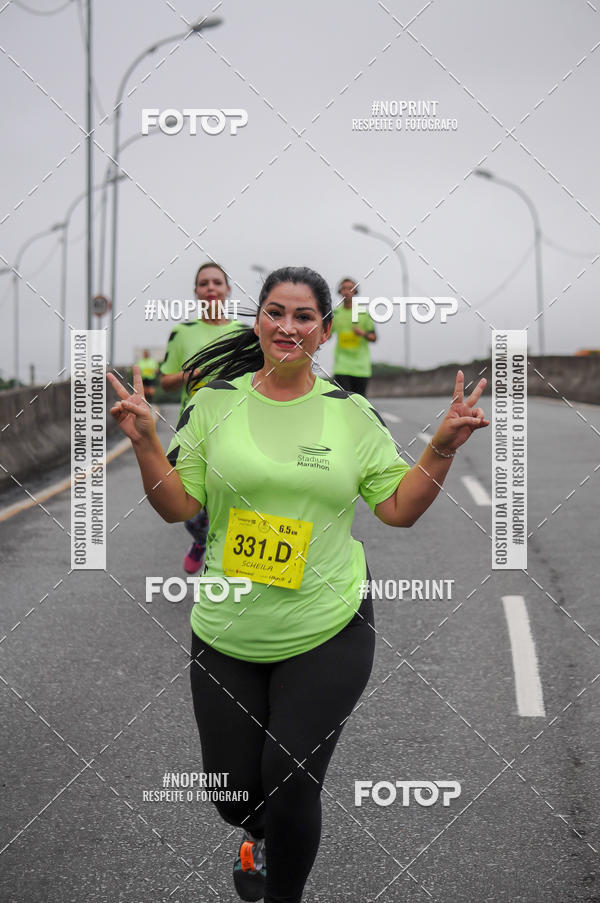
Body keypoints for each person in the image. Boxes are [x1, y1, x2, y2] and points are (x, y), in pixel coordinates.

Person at [107, 266, 488, 903]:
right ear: (256, 319)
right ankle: (254, 830)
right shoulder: (214, 402)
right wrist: (147, 441)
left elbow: (398, 509)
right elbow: (177, 505)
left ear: (323, 328)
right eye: (276, 313)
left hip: (328, 623)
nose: (288, 326)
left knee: (291, 778)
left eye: (304, 316)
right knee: (231, 791)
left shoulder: (351, 413)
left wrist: (442, 447)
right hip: (229, 627)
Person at [159, 262, 244, 574]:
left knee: (232, 499)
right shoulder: (182, 333)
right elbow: (165, 380)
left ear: (227, 290)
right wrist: (194, 373)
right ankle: (199, 538)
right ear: (196, 292)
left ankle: (228, 567)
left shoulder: (242, 333)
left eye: (217, 283)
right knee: (189, 504)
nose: (211, 288)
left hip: (235, 425)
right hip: (193, 427)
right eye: (204, 283)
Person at [332, 276, 376, 396]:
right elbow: (325, 335)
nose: (347, 291)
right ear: (340, 291)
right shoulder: (335, 314)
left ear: (355, 291)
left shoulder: (363, 313)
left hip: (361, 366)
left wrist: (363, 333)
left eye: (350, 288)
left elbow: (373, 337)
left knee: (360, 404)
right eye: (344, 288)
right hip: (342, 366)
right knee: (343, 402)